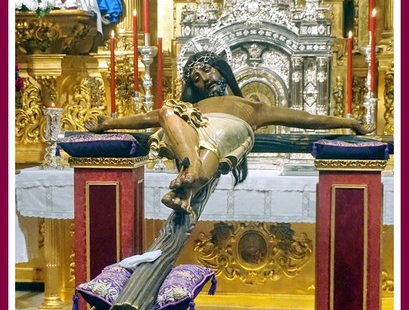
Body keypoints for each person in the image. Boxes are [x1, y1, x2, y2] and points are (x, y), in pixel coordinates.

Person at [86, 51, 373, 218]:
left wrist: (348, 123)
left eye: (207, 71)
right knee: (167, 112)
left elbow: (307, 119)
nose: (204, 79)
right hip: (194, 132)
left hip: (228, 130)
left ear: (222, 71)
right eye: (197, 79)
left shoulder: (252, 107)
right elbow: (149, 117)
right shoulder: (193, 107)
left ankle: (187, 183)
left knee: (215, 139)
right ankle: (189, 182)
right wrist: (108, 124)